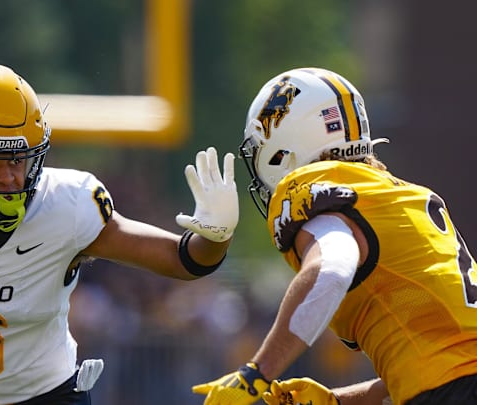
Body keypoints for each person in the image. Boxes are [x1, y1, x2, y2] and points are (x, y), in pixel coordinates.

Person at [0, 62, 240, 405]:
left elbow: (182, 260)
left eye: (20, 158)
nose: (9, 176)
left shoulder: (64, 209)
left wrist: (216, 235)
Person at [191, 67, 477, 405]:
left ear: (282, 149)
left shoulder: (314, 189)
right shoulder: (402, 197)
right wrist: (337, 401)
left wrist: (257, 372)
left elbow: (332, 269)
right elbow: (439, 364)